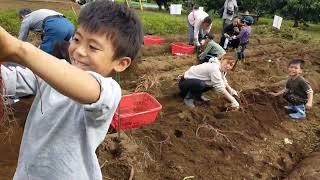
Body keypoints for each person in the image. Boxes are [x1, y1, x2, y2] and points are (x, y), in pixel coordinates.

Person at [0, 1, 143, 179]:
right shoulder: (54, 71)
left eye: (93, 47)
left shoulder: (108, 90)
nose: (79, 51)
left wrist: (19, 50)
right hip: (29, 173)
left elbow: (88, 88)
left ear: (121, 63)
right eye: (76, 39)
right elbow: (12, 78)